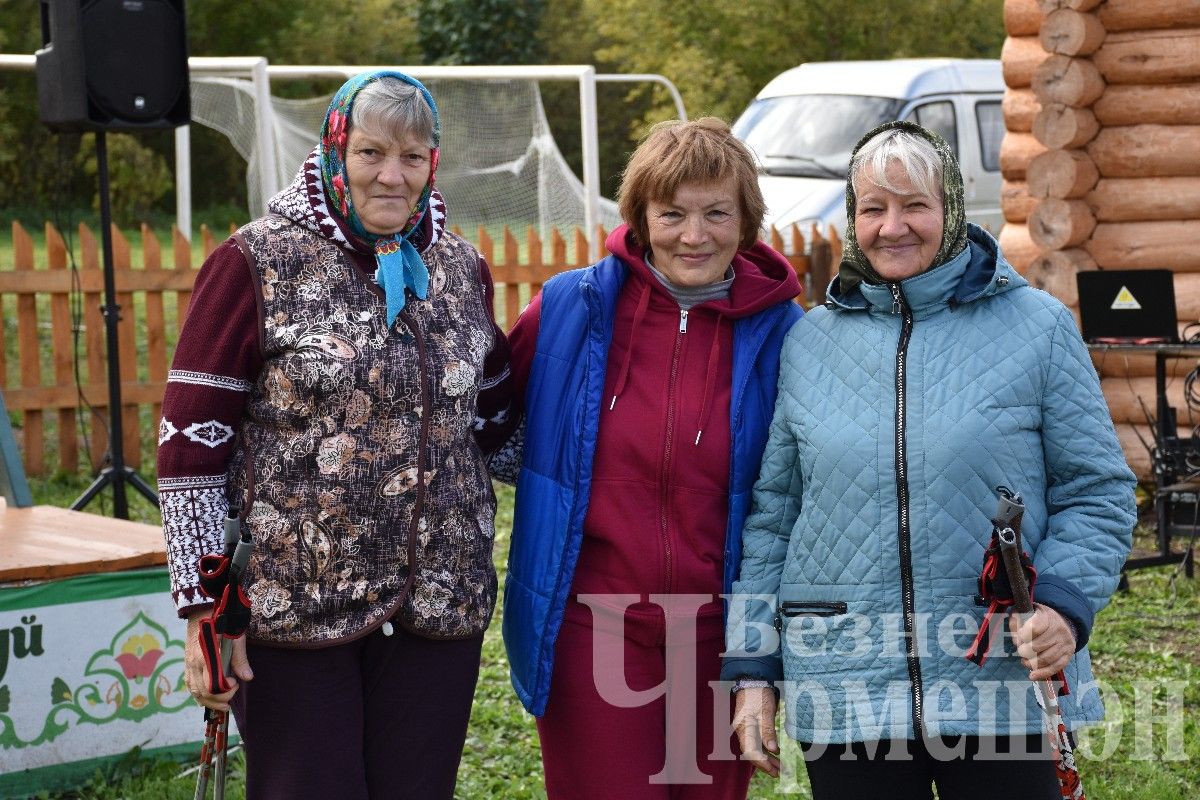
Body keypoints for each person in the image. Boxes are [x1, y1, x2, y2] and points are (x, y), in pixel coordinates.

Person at [722, 120, 1137, 799]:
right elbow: (775, 520)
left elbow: (1097, 491)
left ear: (949, 209)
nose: (894, 226)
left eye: (915, 204)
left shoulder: (1037, 327)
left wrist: (1062, 605)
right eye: (873, 208)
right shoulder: (810, 342)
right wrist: (754, 670)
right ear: (853, 219)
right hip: (846, 680)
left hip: (998, 674)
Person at [157, 70, 513, 800]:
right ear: (335, 150)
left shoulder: (458, 265)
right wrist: (202, 607)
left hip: (438, 603)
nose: (392, 174)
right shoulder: (255, 262)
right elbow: (190, 447)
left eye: (413, 157)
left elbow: (498, 418)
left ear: (432, 164)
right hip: (292, 608)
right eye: (372, 152)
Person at [492, 117, 803, 799]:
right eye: (673, 214)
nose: (694, 236)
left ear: (746, 221)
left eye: (717, 213)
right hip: (591, 624)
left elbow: (800, 494)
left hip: (720, 634)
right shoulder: (571, 308)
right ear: (639, 217)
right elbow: (490, 428)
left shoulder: (787, 333)